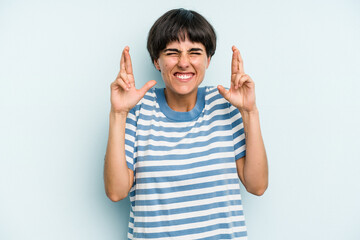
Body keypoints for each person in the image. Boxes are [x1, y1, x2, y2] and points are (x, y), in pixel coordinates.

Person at [104, 8, 268, 240]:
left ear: (208, 60)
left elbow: (257, 186)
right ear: (156, 61)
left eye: (195, 52)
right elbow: (116, 191)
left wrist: (249, 111)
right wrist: (118, 113)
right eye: (172, 52)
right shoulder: (138, 109)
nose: (183, 63)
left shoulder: (226, 104)